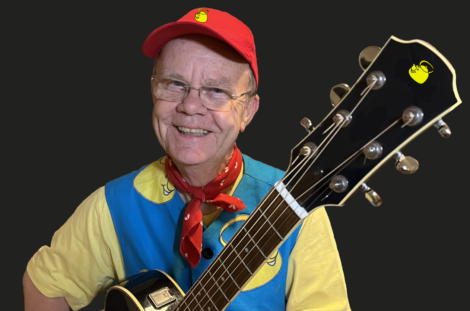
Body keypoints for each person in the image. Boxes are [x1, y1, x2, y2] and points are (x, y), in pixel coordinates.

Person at [23, 8, 351, 311]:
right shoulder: (113, 206)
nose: (190, 106)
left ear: (247, 112)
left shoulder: (298, 210)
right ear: (153, 91)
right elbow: (44, 287)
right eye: (175, 83)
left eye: (216, 91)